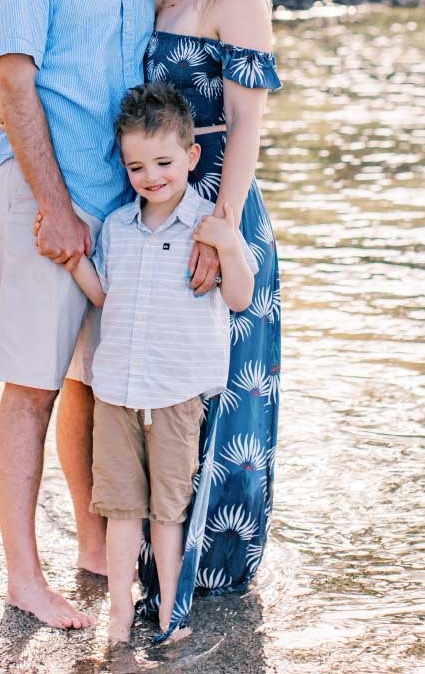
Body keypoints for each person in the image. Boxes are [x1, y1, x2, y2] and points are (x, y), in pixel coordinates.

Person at [0, 0, 156, 629]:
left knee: (90, 382)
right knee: (32, 386)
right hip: (44, 197)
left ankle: (93, 545)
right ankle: (24, 575)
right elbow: (13, 80)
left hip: (116, 209)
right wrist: (53, 204)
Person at [35, 83, 257, 642]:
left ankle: (169, 612)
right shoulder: (117, 227)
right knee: (120, 505)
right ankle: (118, 610)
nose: (151, 176)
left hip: (178, 391)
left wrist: (228, 245)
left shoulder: (208, 228)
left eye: (163, 161)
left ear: (191, 156)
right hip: (116, 389)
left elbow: (240, 299)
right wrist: (70, 258)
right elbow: (106, 296)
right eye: (137, 166)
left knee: (168, 509)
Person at [137, 0, 282, 640]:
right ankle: (157, 552)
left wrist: (220, 228)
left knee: (226, 384)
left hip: (219, 207)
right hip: (163, 208)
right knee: (171, 384)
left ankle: (215, 570)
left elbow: (249, 121)